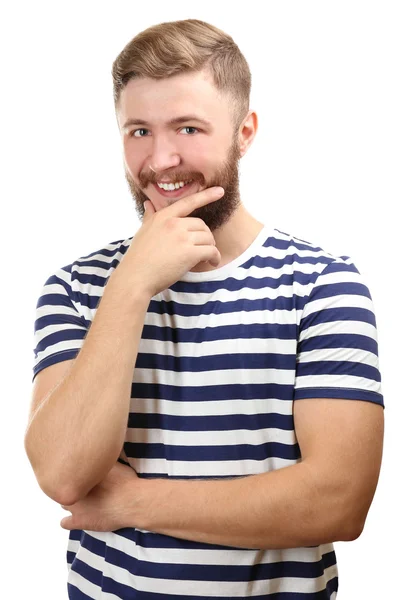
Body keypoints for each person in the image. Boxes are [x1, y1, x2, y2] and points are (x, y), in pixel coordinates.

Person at [25, 18, 384, 600]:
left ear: (245, 132)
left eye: (188, 128)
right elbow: (63, 472)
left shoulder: (322, 282)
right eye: (138, 130)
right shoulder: (77, 286)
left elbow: (339, 501)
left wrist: (133, 502)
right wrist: (131, 285)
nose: (162, 159)